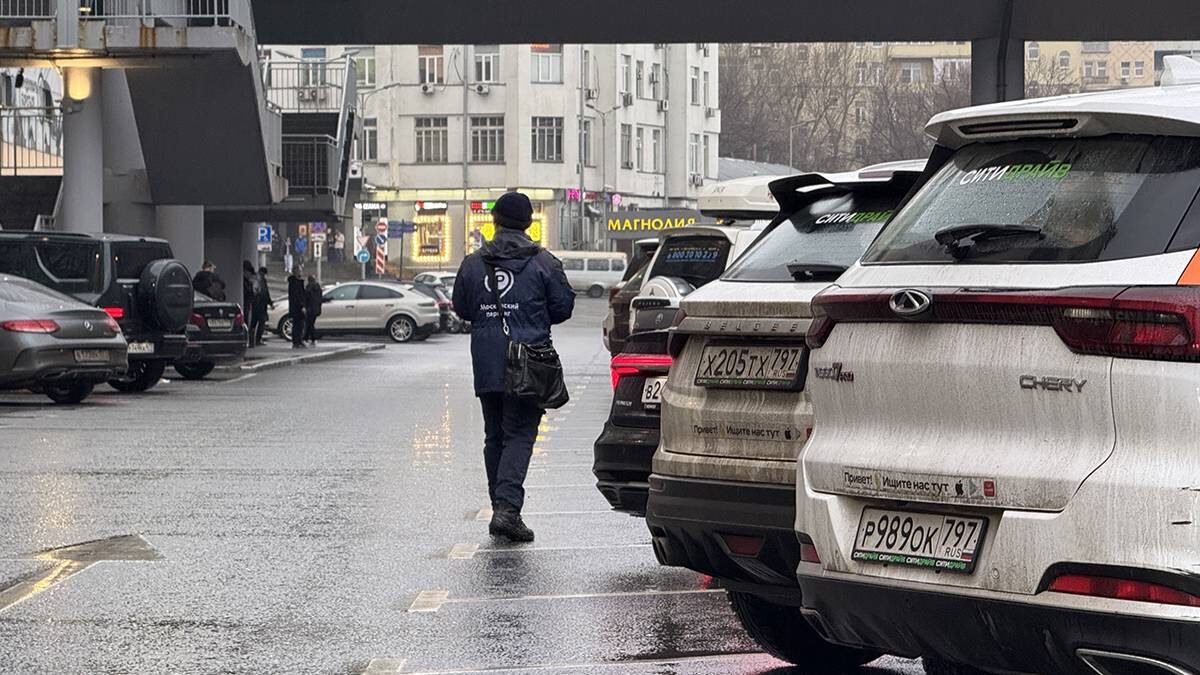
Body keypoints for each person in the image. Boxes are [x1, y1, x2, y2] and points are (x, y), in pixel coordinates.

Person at [452, 192, 575, 543]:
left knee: (495, 435)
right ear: (528, 223)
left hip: (488, 361)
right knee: (520, 433)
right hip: (529, 359)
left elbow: (462, 307)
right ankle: (507, 510)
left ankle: (501, 508)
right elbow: (563, 307)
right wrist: (531, 316)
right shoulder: (544, 263)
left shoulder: (473, 264)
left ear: (495, 221)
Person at [251, 266, 274, 347]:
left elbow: (265, 293)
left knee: (255, 323)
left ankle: (253, 340)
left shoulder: (258, 280)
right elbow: (265, 293)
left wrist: (270, 303)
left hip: (258, 305)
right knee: (259, 323)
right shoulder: (259, 281)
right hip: (259, 305)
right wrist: (270, 303)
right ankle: (256, 340)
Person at [287, 265, 306, 349]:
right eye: (299, 270)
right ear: (296, 272)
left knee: (300, 325)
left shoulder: (298, 282)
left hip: (297, 307)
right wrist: (302, 306)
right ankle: (296, 342)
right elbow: (297, 296)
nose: (301, 272)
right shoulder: (294, 283)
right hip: (297, 307)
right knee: (297, 325)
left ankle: (299, 340)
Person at [304, 275, 323, 346]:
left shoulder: (308, 288)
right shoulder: (318, 288)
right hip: (316, 309)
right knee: (310, 324)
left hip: (310, 309)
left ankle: (310, 339)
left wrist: (305, 307)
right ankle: (310, 339)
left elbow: (306, 299)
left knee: (309, 324)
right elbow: (320, 299)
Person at [241, 260, 256, 346]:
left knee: (247, 322)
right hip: (245, 305)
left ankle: (248, 340)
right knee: (246, 322)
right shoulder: (244, 282)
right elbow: (248, 293)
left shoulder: (247, 282)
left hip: (247, 305)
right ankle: (247, 340)